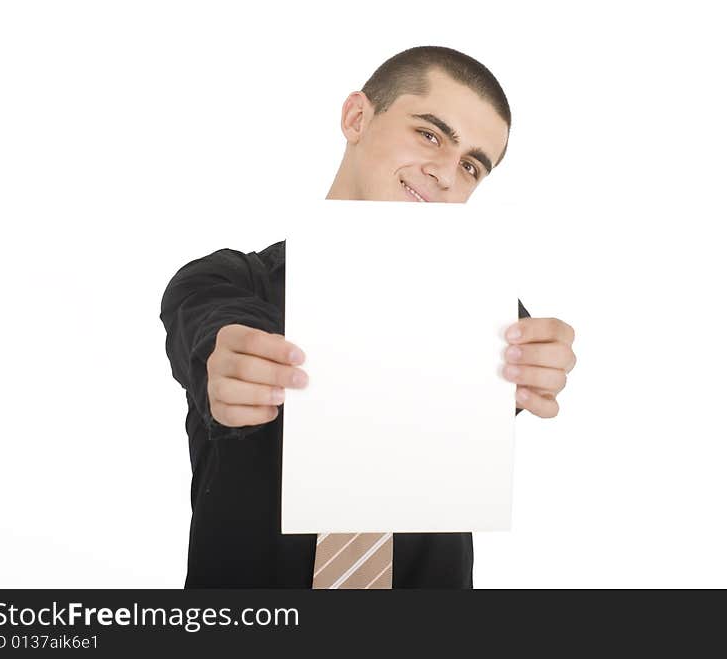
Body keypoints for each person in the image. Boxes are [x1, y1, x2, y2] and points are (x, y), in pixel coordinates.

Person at [159, 46, 577, 588]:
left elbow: (518, 365)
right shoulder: (228, 283)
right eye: (430, 134)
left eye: (472, 165)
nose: (448, 174)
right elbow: (209, 329)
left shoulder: (482, 310)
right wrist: (224, 359)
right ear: (357, 118)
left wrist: (543, 361)